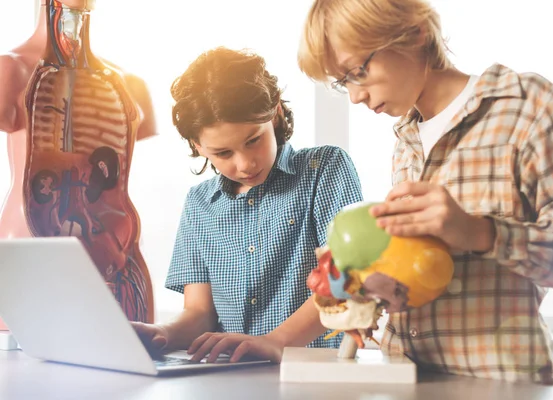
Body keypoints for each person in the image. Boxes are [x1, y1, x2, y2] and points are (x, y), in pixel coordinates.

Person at [295, 0, 553, 385]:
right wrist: (363, 296)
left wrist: (481, 233)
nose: (355, 96)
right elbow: (422, 276)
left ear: (414, 33)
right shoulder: (405, 141)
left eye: (359, 71)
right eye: (344, 82)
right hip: (404, 382)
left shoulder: (527, 106)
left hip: (501, 385)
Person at [131, 47, 363, 363]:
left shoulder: (325, 169)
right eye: (223, 153)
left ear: (276, 113)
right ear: (198, 146)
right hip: (229, 377)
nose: (245, 164)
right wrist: (163, 333)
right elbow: (200, 312)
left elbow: (345, 277)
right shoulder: (200, 204)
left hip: (312, 373)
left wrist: (275, 342)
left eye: (253, 140)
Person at [0, 0, 157, 330]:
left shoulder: (130, 84)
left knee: (117, 371)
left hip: (114, 258)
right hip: (28, 247)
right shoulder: (9, 69)